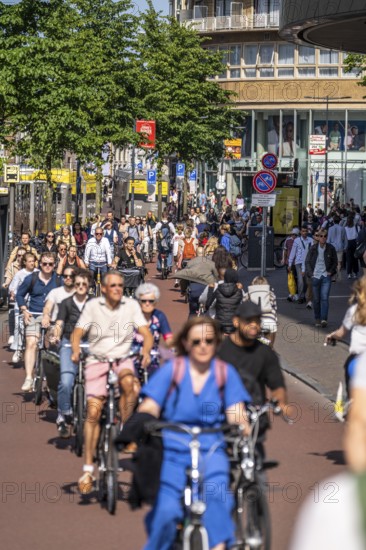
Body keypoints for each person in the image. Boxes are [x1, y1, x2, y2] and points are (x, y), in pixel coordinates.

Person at [137, 316, 251, 550]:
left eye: (209, 341)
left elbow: (236, 411)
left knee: (218, 497)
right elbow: (149, 405)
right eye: (196, 341)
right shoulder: (173, 371)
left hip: (211, 449)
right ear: (186, 343)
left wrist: (241, 425)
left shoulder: (224, 373)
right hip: (173, 450)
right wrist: (145, 420)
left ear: (217, 343)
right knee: (166, 512)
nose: (203, 346)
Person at [71, 270, 154, 494]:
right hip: (97, 361)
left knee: (132, 386)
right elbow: (78, 332)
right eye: (113, 286)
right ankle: (88, 469)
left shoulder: (131, 306)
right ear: (104, 289)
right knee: (93, 412)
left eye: (120, 285)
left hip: (122, 361)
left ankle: (126, 431)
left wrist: (146, 352)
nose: (118, 288)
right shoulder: (92, 306)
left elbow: (146, 334)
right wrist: (76, 350)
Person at [217, 301, 288, 453]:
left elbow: (276, 384)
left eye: (257, 320)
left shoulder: (265, 353)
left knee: (258, 463)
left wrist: (280, 402)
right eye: (249, 320)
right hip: (225, 418)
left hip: (256, 416)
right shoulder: (221, 352)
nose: (254, 325)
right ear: (236, 321)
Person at [52, 269, 92, 438]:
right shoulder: (66, 303)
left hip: (91, 345)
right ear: (74, 285)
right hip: (69, 343)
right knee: (67, 381)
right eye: (78, 284)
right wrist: (56, 334)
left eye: (84, 284)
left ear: (89, 285)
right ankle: (63, 414)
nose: (81, 287)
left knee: (99, 379)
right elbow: (60, 322)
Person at [16, 252, 61, 392]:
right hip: (34, 315)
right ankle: (29, 377)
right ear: (40, 264)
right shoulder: (31, 279)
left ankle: (53, 379)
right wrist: (24, 310)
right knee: (31, 343)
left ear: (54, 265)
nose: (47, 266)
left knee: (54, 344)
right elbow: (19, 295)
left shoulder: (59, 281)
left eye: (51, 264)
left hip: (52, 318)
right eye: (44, 263)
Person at [326, 276, 366, 394]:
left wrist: (332, 336)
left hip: (357, 360)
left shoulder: (355, 310)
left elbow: (341, 333)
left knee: (352, 398)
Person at [131, 283, 173, 378]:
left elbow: (168, 337)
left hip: (152, 357)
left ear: (156, 302)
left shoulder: (159, 316)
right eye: (143, 300)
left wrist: (174, 349)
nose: (147, 303)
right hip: (132, 358)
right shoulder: (131, 315)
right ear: (138, 301)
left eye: (151, 301)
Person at [8, 252, 38, 362]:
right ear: (25, 262)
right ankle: (18, 349)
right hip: (21, 303)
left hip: (33, 304)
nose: (32, 263)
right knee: (19, 326)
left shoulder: (38, 273)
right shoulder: (20, 274)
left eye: (33, 261)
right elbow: (13, 288)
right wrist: (13, 293)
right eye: (29, 261)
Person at [305, 230, 337, 328]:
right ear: (317, 237)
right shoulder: (313, 248)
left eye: (325, 236)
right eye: (321, 236)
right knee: (316, 300)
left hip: (325, 277)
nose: (323, 237)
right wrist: (311, 274)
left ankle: (324, 319)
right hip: (315, 277)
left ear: (327, 237)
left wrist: (330, 272)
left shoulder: (331, 248)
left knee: (324, 298)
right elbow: (307, 262)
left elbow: (335, 262)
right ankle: (317, 319)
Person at [206, 268, 243, 334]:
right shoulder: (239, 290)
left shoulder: (218, 289)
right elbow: (244, 305)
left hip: (220, 324)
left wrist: (210, 289)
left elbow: (208, 305)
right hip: (234, 324)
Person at [245, 276, 278, 348]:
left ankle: (258, 339)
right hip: (269, 322)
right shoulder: (271, 294)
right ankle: (269, 347)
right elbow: (274, 309)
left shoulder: (248, 295)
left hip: (254, 322)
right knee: (269, 347)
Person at [288, 224, 313, 305]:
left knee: (306, 282)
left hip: (307, 264)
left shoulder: (310, 240)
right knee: (300, 280)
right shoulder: (297, 241)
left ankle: (303, 295)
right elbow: (293, 252)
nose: (304, 233)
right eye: (303, 231)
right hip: (298, 263)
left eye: (306, 231)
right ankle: (301, 297)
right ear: (300, 232)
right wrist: (290, 263)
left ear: (307, 231)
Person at [327, 215, 347, 280]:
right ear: (339, 221)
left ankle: (334, 276)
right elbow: (345, 239)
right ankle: (338, 273)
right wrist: (345, 247)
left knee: (333, 262)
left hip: (332, 247)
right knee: (339, 262)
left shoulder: (330, 229)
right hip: (340, 246)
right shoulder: (342, 228)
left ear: (333, 221)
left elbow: (328, 239)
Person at [282, 227, 299, 301]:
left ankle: (296, 293)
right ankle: (291, 293)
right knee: (290, 279)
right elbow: (285, 250)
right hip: (289, 263)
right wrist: (283, 259)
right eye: (292, 234)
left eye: (295, 235)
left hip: (297, 263)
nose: (293, 236)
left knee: (296, 279)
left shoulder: (299, 241)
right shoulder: (288, 241)